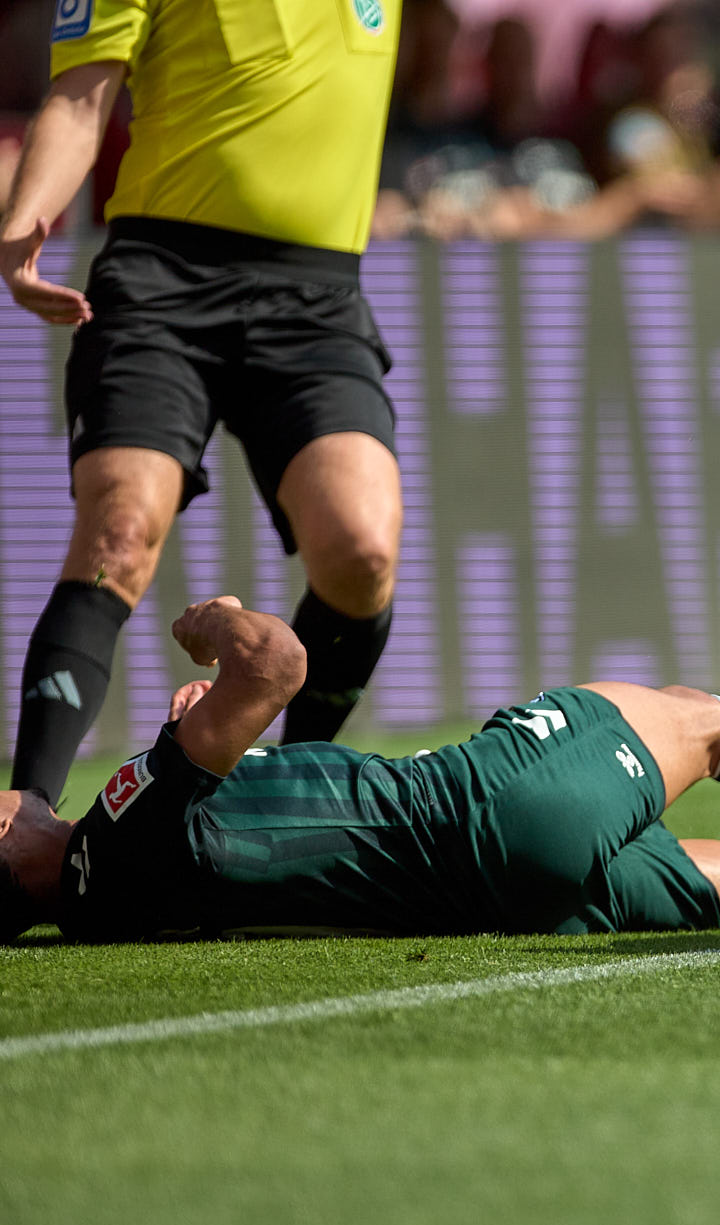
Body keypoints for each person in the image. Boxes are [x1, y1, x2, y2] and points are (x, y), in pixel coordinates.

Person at [0, 597, 720, 944]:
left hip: (495, 906)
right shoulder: (115, 828)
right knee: (704, 719)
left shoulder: (101, 914)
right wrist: (212, 629)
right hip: (486, 805)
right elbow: (278, 660)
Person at [1, 0, 409, 806]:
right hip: (162, 281)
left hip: (317, 299)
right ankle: (25, 816)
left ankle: (287, 796)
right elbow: (81, 99)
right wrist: (20, 231)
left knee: (362, 553)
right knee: (117, 534)